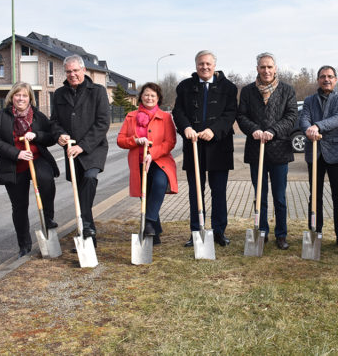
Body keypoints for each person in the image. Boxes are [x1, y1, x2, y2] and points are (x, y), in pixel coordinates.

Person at [0, 82, 60, 258]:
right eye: (17, 95)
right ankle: (24, 245)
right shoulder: (0, 116)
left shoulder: (38, 117)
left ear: (30, 99)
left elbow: (51, 137)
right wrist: (16, 154)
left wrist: (37, 135)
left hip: (37, 160)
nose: (21, 98)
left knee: (47, 180)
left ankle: (48, 218)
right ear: (12, 97)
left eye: (25, 95)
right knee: (19, 206)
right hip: (14, 165)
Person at [172, 50, 237, 247]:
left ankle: (219, 232)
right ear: (196, 65)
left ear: (214, 65)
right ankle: (196, 231)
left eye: (208, 64)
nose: (205, 67)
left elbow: (231, 113)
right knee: (195, 192)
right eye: (201, 64)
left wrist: (214, 130)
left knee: (218, 192)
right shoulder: (184, 87)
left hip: (220, 146)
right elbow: (178, 111)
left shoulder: (228, 87)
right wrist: (186, 128)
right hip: (194, 146)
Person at [237, 52, 298, 250]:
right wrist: (254, 129)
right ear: (257, 69)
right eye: (262, 67)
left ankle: (281, 234)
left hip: (279, 151)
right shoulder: (247, 91)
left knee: (279, 196)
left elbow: (291, 116)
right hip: (257, 151)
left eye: (269, 67)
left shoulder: (287, 90)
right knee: (260, 195)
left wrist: (273, 130)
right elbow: (241, 116)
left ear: (275, 68)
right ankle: (262, 231)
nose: (266, 70)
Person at [51, 54, 110, 245]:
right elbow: (54, 122)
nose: (72, 74)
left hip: (94, 149)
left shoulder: (98, 91)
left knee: (90, 178)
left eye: (76, 70)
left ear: (84, 70)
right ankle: (88, 230)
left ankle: (86, 225)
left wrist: (82, 146)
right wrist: (59, 135)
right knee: (79, 189)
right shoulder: (59, 94)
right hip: (70, 151)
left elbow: (103, 123)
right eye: (68, 71)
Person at [117, 82, 178, 245]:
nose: (149, 98)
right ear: (141, 97)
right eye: (146, 95)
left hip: (160, 161)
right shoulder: (131, 117)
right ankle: (154, 233)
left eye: (153, 95)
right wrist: (135, 140)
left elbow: (170, 141)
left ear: (158, 98)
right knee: (146, 195)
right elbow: (120, 140)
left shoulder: (165, 117)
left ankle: (148, 221)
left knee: (158, 184)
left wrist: (152, 153)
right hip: (138, 162)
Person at [299, 65, 338, 251]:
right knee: (315, 196)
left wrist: (318, 126)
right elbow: (303, 118)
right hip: (315, 153)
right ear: (318, 80)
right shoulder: (309, 100)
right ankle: (315, 231)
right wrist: (308, 128)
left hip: (335, 154)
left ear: (335, 79)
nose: (326, 79)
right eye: (322, 76)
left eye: (330, 76)